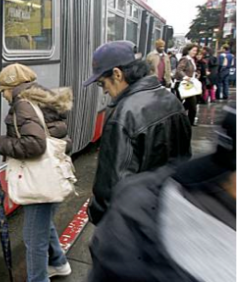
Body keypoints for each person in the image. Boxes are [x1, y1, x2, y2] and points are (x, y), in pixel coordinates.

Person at [88, 104, 236, 282]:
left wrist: (99, 211)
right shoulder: (168, 102)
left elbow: (113, 171)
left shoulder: (137, 204)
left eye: (104, 82)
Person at [0, 64, 73, 282]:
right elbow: (47, 134)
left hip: (40, 181)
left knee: (33, 239)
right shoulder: (40, 97)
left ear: (13, 86)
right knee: (43, 225)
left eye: (4, 91)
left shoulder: (23, 104)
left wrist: (0, 146)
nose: (4, 96)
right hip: (52, 177)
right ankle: (58, 262)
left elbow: (34, 145)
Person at [82, 41, 192, 225]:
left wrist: (97, 214)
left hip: (133, 221)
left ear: (117, 74)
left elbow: (112, 185)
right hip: (167, 212)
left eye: (103, 84)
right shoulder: (170, 99)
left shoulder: (124, 115)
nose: (105, 91)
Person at [175, 44, 200, 126]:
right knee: (192, 104)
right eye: (193, 50)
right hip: (184, 84)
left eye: (196, 51)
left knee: (188, 104)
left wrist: (196, 74)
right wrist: (185, 77)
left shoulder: (191, 60)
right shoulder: (185, 59)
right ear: (188, 50)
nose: (195, 52)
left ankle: (181, 118)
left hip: (189, 83)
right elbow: (179, 69)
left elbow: (192, 70)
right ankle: (188, 121)